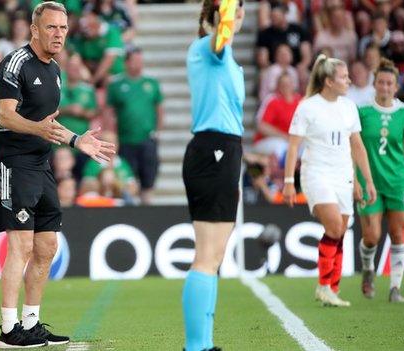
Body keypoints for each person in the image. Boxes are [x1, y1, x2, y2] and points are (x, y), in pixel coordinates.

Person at [0, 2, 115, 348]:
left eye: (62, 28)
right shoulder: (15, 64)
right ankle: (7, 329)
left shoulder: (56, 69)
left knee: (47, 246)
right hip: (13, 163)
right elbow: (6, 117)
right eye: (51, 27)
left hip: (41, 165)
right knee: (21, 244)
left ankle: (30, 323)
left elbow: (49, 124)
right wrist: (40, 130)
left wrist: (76, 141)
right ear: (34, 29)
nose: (58, 34)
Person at [283, 54, 377, 307]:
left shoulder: (348, 107)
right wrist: (289, 180)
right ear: (328, 82)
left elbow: (356, 145)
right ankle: (324, 286)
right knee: (335, 227)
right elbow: (293, 147)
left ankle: (331, 289)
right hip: (316, 173)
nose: (348, 81)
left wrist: (366, 180)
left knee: (339, 232)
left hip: (343, 175)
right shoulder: (307, 107)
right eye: (343, 77)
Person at [182, 1, 245, 350]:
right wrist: (229, 6)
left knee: (213, 257)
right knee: (206, 256)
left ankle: (204, 344)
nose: (237, 19)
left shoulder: (223, 57)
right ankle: (195, 346)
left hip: (224, 151)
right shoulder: (208, 48)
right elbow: (221, 36)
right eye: (234, 12)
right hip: (213, 151)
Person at [356, 58, 404, 303]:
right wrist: (355, 180)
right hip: (369, 183)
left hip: (398, 182)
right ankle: (368, 270)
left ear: (396, 87)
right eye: (381, 82)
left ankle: (395, 288)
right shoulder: (362, 112)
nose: (385, 87)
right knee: (372, 236)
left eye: (389, 83)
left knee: (398, 234)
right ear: (374, 84)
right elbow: (353, 147)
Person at [106, 46, 163, 204]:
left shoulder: (151, 83)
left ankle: (147, 204)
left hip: (146, 137)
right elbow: (109, 112)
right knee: (128, 176)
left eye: (140, 60)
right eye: (135, 61)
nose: (138, 64)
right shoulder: (117, 84)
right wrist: (111, 134)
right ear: (127, 62)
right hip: (125, 139)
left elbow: (159, 109)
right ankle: (131, 205)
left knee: (148, 175)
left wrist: (157, 131)